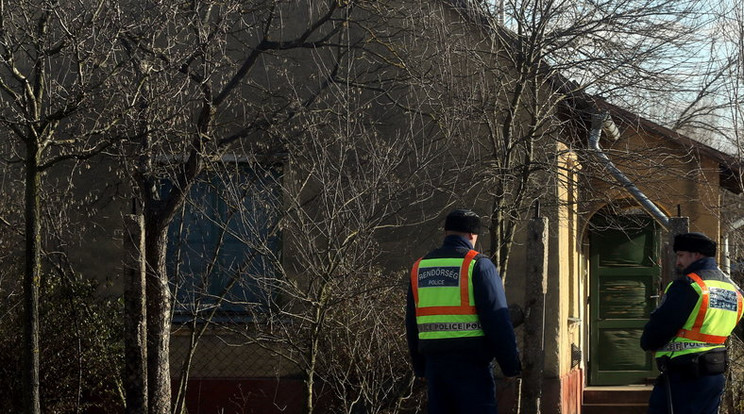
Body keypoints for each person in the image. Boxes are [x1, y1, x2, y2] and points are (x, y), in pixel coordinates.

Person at [405, 209, 521, 414]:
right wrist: (510, 365)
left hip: (435, 367)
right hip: (471, 367)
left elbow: (412, 322)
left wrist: (419, 366)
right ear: (471, 235)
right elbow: (497, 319)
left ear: (446, 233)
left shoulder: (420, 268)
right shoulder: (477, 265)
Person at [641, 232, 744, 414]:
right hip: (714, 375)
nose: (677, 262)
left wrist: (648, 342)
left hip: (683, 377)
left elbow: (659, 328)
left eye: (681, 255)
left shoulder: (689, 286)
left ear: (696, 255)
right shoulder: (734, 292)